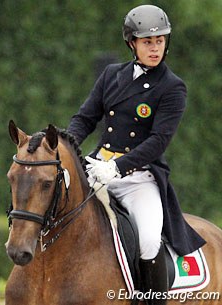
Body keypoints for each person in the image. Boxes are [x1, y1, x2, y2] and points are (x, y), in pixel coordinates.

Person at [67, 4, 205, 305]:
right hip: (97, 168)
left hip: (139, 178)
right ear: (132, 43)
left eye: (160, 41)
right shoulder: (111, 75)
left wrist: (117, 167)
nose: (155, 48)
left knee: (148, 241)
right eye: (147, 42)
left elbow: (157, 142)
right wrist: (67, 144)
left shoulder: (172, 87)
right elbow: (85, 118)